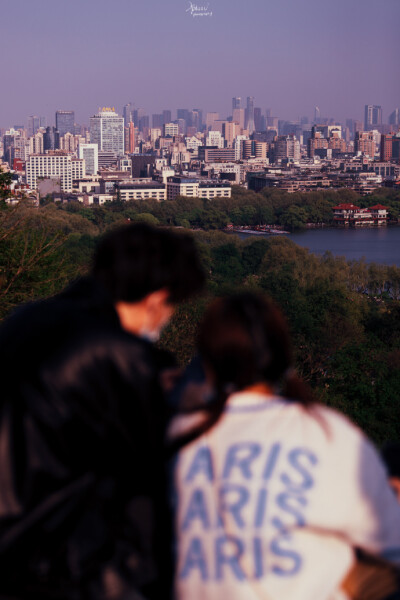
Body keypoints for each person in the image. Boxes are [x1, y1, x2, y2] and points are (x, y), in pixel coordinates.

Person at [0, 223, 205, 599]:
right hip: (53, 558)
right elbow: (150, 465)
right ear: (157, 298)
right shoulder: (121, 356)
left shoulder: (27, 319)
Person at [169, 292, 400, 600]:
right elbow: (388, 537)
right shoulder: (324, 431)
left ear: (207, 365)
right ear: (281, 357)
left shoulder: (181, 432)